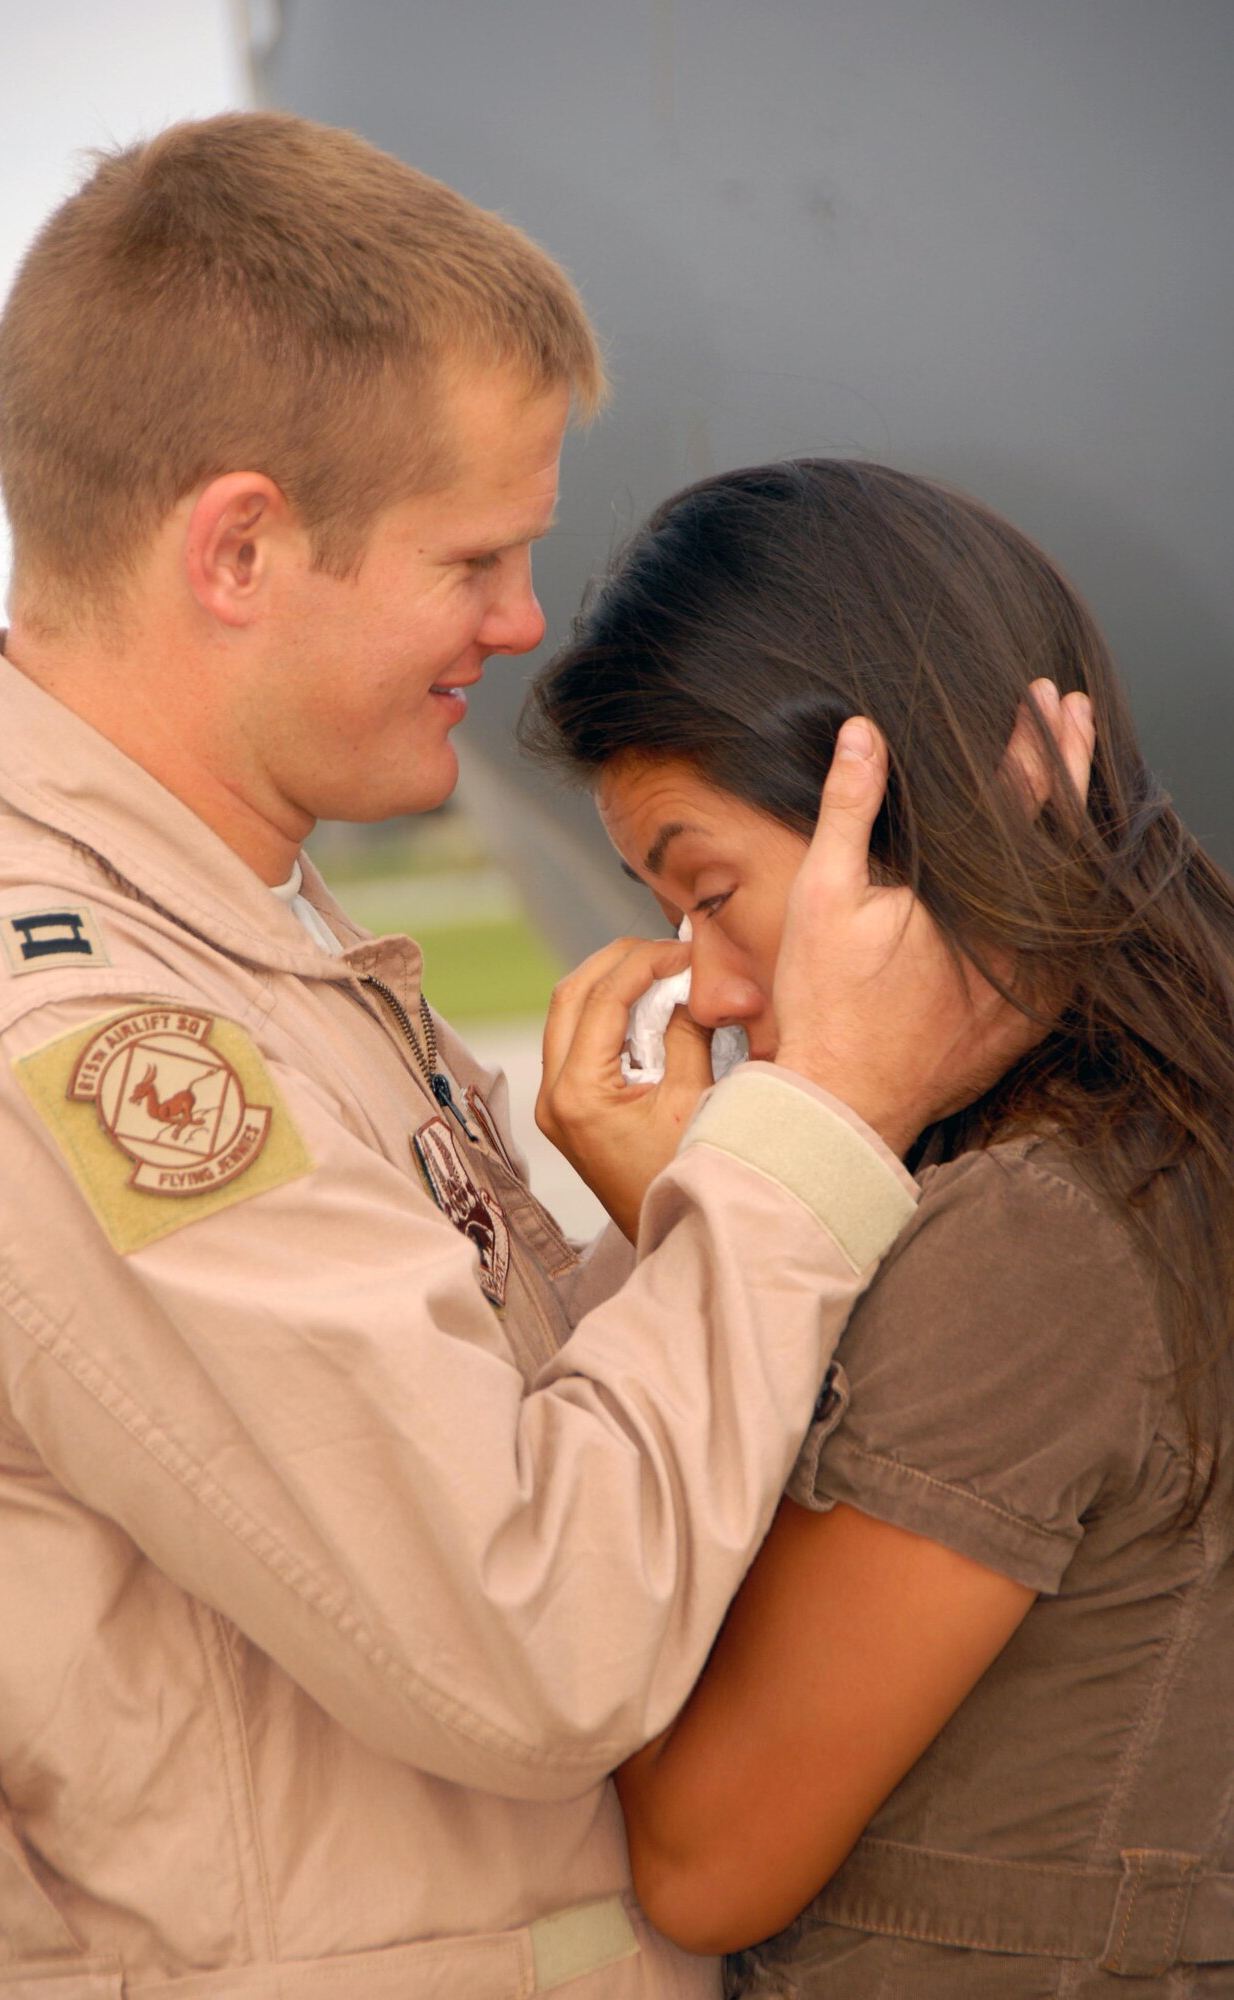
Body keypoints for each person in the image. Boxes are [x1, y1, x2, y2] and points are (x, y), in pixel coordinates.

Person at [0, 117, 1055, 1996]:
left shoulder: (239, 936)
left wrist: (668, 1226)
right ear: (244, 546)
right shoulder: (73, 1038)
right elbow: (533, 1636)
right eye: (477, 556)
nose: (520, 624)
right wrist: (816, 1129)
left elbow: (444, 1458)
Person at [522, 457, 1234, 1997]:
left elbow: (705, 1861)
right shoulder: (1152, 1147)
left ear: (986, 795)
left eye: (711, 891)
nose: (703, 986)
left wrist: (699, 1257)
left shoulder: (1036, 1243)